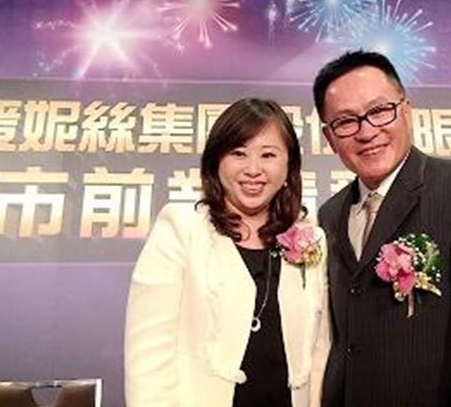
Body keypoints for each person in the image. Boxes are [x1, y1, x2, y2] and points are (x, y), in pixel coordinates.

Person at [312, 51, 451, 407]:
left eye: (380, 111)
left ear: (407, 110)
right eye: (346, 121)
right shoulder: (329, 215)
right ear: (329, 136)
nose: (367, 132)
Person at [124, 98, 330, 407]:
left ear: (289, 166)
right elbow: (148, 355)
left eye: (268, 155)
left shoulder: (310, 239)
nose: (253, 170)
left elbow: (319, 351)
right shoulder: (182, 228)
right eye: (238, 153)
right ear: (216, 162)